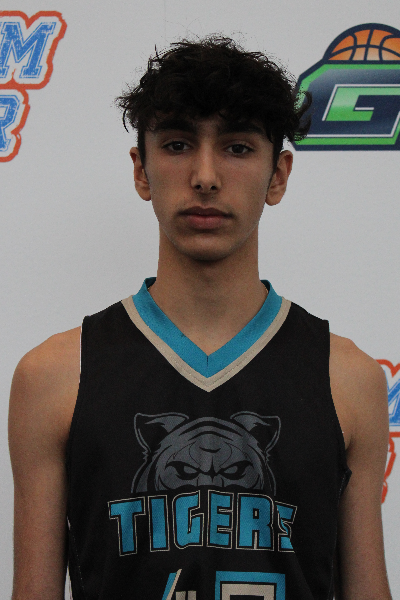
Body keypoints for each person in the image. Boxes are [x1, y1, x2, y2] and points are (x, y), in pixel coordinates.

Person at [8, 35, 392, 600]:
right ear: (141, 171)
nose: (206, 176)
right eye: (178, 144)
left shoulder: (348, 378)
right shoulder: (55, 377)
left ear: (278, 175)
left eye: (237, 147)